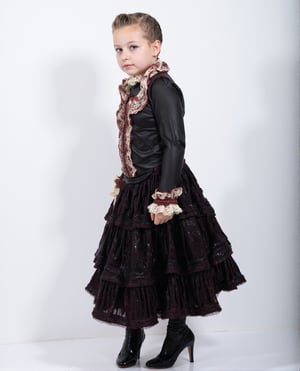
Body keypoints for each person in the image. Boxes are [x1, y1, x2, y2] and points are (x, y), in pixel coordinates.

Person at [85, 12, 246, 369]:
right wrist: (127, 177)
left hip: (163, 185)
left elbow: (174, 144)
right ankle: (134, 332)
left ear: (155, 48)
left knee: (175, 261)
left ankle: (177, 332)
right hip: (135, 186)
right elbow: (135, 140)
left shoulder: (162, 87)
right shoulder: (134, 87)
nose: (124, 55)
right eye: (118, 49)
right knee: (133, 262)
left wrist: (165, 197)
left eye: (133, 46)